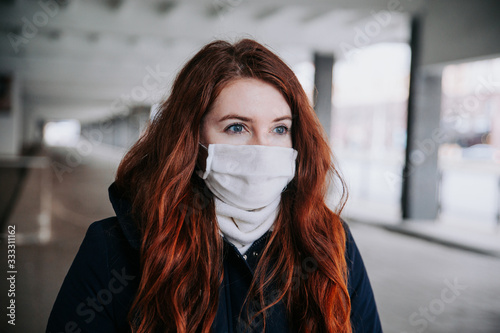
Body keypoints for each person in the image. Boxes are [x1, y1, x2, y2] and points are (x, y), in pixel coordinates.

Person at [46, 39, 382, 333]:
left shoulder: (329, 243)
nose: (262, 148)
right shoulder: (115, 249)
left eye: (279, 129)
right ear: (193, 140)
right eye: (237, 127)